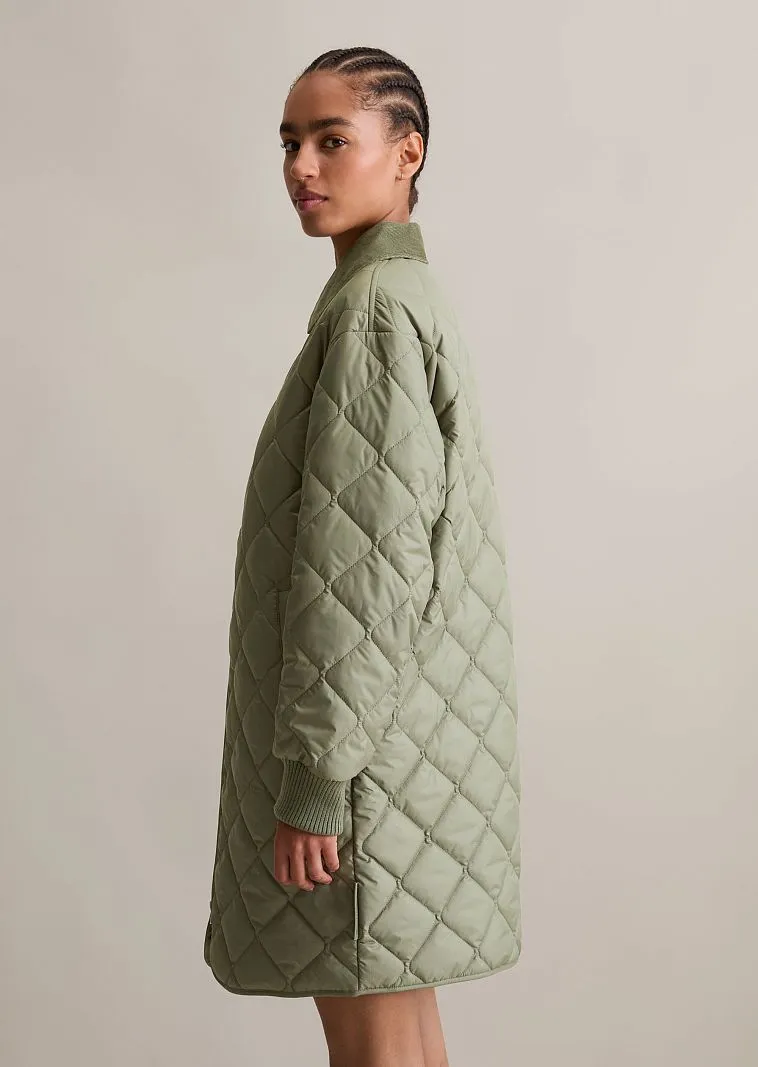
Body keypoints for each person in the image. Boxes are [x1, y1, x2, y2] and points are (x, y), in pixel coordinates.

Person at [203, 46, 522, 1067]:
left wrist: (315, 777)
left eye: (332, 139)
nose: (302, 165)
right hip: (399, 747)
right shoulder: (400, 296)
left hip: (361, 770)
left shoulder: (374, 311)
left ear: (406, 153)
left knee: (375, 1043)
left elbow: (364, 573)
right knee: (402, 1033)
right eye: (290, 142)